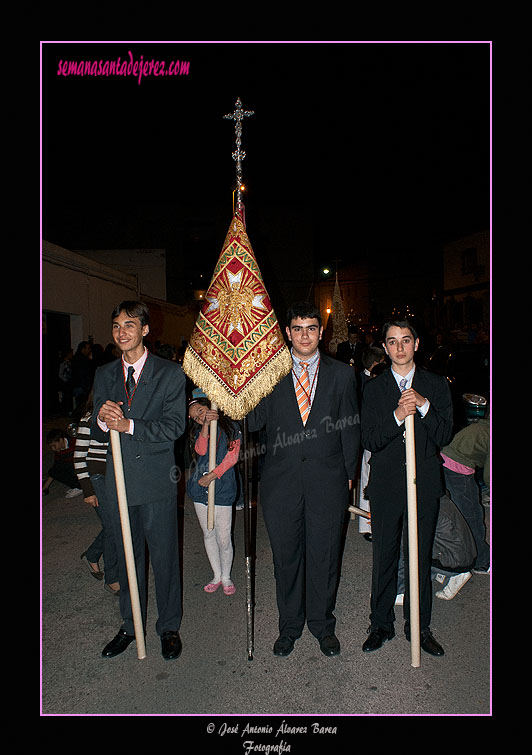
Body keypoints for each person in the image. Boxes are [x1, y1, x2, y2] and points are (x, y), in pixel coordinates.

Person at [247, 301, 360, 658]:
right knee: (286, 557)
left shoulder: (342, 374)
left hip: (328, 480)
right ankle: (290, 626)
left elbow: (351, 428)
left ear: (320, 332)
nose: (304, 335)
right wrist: (235, 397)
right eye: (297, 329)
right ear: (287, 333)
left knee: (325, 555)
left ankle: (322, 625)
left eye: (311, 328)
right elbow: (253, 422)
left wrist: (348, 476)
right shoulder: (271, 374)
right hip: (281, 482)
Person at [91, 300, 186, 660]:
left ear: (145, 330)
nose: (121, 332)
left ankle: (169, 627)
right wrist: (102, 420)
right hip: (119, 482)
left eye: (129, 325)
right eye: (116, 326)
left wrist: (128, 425)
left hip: (156, 482)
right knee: (126, 556)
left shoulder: (169, 373)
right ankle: (131, 625)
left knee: (163, 558)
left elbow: (175, 427)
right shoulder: (105, 374)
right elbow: (97, 429)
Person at [361, 319, 453, 657]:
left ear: (416, 344)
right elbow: (370, 438)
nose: (399, 348)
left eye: (405, 340)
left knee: (418, 557)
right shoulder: (374, 389)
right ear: (384, 348)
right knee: (384, 555)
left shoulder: (436, 384)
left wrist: (424, 406)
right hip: (386, 485)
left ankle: (419, 627)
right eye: (392, 342)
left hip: (423, 483)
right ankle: (380, 624)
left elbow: (444, 435)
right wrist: (399, 414)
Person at [187, 391, 242, 595]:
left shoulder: (232, 427)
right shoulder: (201, 430)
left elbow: (232, 457)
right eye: (195, 417)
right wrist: (204, 425)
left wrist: (212, 475)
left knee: (224, 538)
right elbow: (201, 451)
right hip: (199, 488)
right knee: (208, 533)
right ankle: (216, 575)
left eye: (200, 411)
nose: (199, 417)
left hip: (223, 487)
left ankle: (226, 577)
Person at [74, 390, 120, 595]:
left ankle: (92, 554)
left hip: (117, 477)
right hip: (98, 477)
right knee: (112, 527)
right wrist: (88, 491)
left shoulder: (120, 415)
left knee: (116, 524)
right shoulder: (89, 418)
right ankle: (112, 578)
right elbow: (79, 457)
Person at [440, 413, 490, 574]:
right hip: (457, 470)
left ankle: (475, 556)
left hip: (446, 462)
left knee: (467, 512)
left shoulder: (483, 427)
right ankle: (480, 561)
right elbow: (489, 475)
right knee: (471, 515)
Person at [357, 359, 388, 541]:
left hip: (386, 447)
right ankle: (368, 526)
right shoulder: (369, 394)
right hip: (371, 445)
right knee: (368, 483)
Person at [43, 429, 83, 498]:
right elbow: (55, 468)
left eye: (54, 445)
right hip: (73, 468)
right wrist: (45, 487)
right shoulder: (59, 451)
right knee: (54, 470)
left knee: (65, 465)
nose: (53, 449)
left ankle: (80, 487)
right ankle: (76, 485)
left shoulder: (74, 442)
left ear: (61, 440)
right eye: (51, 446)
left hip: (83, 467)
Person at [71, 341, 93, 414]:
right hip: (81, 384)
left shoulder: (76, 358)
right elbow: (83, 373)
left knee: (80, 403)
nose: (89, 350)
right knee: (82, 404)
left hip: (78, 384)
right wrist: (86, 385)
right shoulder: (82, 359)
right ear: (83, 349)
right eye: (88, 348)